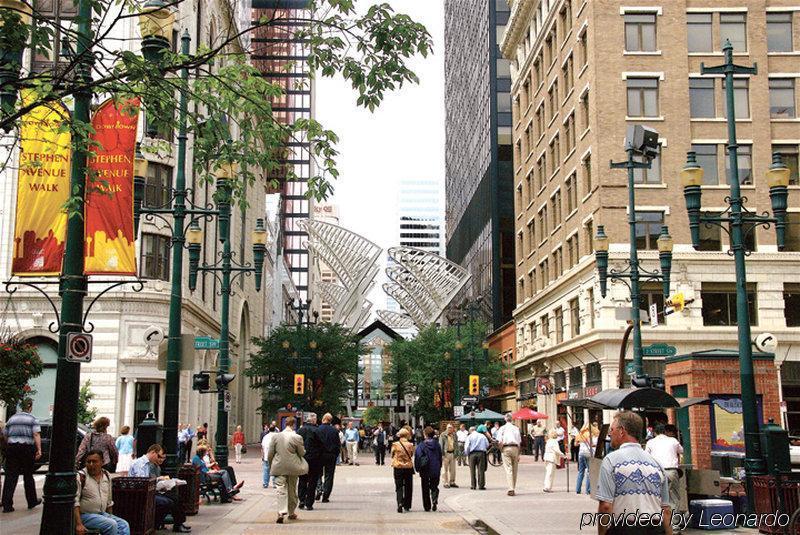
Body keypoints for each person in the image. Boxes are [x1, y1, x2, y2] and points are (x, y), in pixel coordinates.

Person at [597, 412, 672, 535]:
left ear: (622, 431)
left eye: (612, 429)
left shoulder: (611, 461)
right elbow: (666, 510)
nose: (610, 434)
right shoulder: (657, 464)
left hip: (624, 529)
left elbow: (605, 506)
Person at [129, 444, 191, 533]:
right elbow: (142, 482)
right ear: (153, 452)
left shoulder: (150, 464)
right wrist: (158, 482)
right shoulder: (140, 463)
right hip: (141, 494)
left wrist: (163, 483)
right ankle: (154, 525)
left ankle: (176, 523)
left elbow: (148, 481)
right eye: (159, 456)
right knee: (166, 502)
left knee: (175, 498)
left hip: (150, 491)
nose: (160, 459)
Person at [74, 449, 130, 535]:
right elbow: (75, 502)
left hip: (101, 514)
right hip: (85, 515)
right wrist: (79, 524)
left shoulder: (106, 475)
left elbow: (109, 502)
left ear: (102, 462)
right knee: (111, 524)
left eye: (95, 462)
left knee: (124, 525)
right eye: (89, 462)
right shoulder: (81, 476)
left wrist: (110, 516)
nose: (91, 465)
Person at [1, 398, 42, 513]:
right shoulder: (32, 419)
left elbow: (5, 434)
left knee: (10, 476)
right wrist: (39, 449)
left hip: (12, 448)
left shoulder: (12, 419)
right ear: (30, 407)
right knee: (28, 475)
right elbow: (36, 434)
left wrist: (9, 444)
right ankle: (31, 500)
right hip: (26, 448)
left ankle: (7, 504)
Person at [268, 416, 308, 524]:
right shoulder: (297, 437)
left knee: (280, 488)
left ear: (285, 424)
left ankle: (281, 512)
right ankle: (291, 512)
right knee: (292, 489)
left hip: (279, 466)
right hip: (293, 467)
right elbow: (302, 453)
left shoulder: (276, 437)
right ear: (294, 424)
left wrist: (271, 464)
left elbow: (270, 453)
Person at [646, 423, 684, 519]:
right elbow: (681, 450)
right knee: (673, 497)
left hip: (656, 472)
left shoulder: (650, 442)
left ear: (654, 433)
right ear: (665, 432)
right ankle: (674, 524)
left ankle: (659, 522)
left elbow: (646, 457)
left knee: (656, 497)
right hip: (671, 471)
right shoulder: (673, 440)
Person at [297, 413, 323, 510]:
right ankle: (309, 503)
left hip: (302, 458)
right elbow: (321, 445)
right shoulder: (317, 431)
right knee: (312, 481)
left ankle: (301, 500)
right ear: (314, 420)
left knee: (302, 479)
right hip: (314, 459)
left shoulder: (300, 430)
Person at [415, 426, 442, 512]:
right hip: (435, 468)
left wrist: (417, 468)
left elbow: (418, 457)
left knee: (425, 487)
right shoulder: (437, 444)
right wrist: (439, 466)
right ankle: (434, 499)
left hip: (425, 468)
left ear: (425, 434)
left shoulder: (421, 445)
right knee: (434, 485)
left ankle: (427, 506)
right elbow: (440, 456)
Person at [316, 413, 341, 503]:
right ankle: (325, 496)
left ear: (323, 419)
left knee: (318, 474)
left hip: (319, 456)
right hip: (331, 456)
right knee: (329, 476)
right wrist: (335, 454)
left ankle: (319, 488)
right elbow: (338, 445)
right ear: (330, 421)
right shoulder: (334, 431)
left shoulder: (318, 429)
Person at [391, 427, 415, 513]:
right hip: (408, 467)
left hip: (398, 466)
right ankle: (407, 505)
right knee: (408, 486)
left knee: (399, 486)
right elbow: (411, 454)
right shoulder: (410, 445)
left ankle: (400, 503)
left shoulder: (395, 444)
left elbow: (392, 454)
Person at [497, 414, 522, 496]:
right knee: (515, 469)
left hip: (506, 448)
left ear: (505, 419)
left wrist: (501, 450)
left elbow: (499, 441)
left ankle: (511, 488)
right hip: (515, 448)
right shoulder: (516, 428)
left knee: (508, 469)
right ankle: (513, 487)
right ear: (512, 419)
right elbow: (519, 442)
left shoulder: (502, 428)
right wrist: (518, 453)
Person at [464, 426, 489, 490]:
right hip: (481, 453)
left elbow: (467, 447)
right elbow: (487, 444)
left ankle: (473, 485)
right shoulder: (482, 436)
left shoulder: (469, 436)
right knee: (481, 470)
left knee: (472, 470)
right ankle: (481, 485)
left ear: (470, 431)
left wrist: (467, 454)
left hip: (472, 454)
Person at [575, 423, 596, 495]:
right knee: (589, 472)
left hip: (581, 453)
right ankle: (588, 490)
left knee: (581, 471)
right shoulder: (589, 434)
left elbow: (576, 444)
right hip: (587, 453)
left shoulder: (580, 434)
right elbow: (591, 444)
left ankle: (578, 489)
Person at [438, 424, 457, 488]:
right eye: (449, 428)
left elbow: (456, 444)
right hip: (446, 454)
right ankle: (445, 482)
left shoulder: (454, 435)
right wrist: (442, 455)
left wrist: (456, 453)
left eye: (451, 428)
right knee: (444, 469)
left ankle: (452, 482)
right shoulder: (443, 435)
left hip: (452, 453)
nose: (450, 429)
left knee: (453, 469)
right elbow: (441, 445)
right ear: (446, 428)